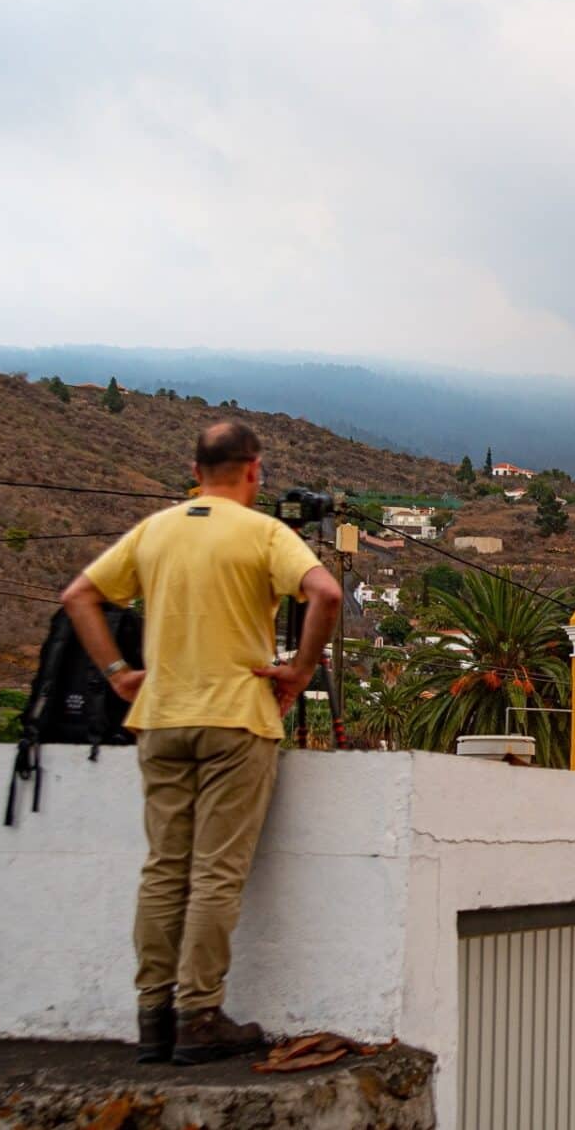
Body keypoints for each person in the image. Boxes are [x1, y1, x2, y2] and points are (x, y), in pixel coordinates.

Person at [60, 421, 341, 1065]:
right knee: (216, 870)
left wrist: (117, 675)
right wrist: (299, 669)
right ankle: (199, 1015)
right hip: (236, 719)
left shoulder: (155, 530)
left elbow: (79, 596)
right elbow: (324, 593)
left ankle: (152, 1018)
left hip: (160, 717)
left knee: (164, 868)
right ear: (254, 471)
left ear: (196, 469)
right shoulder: (266, 533)